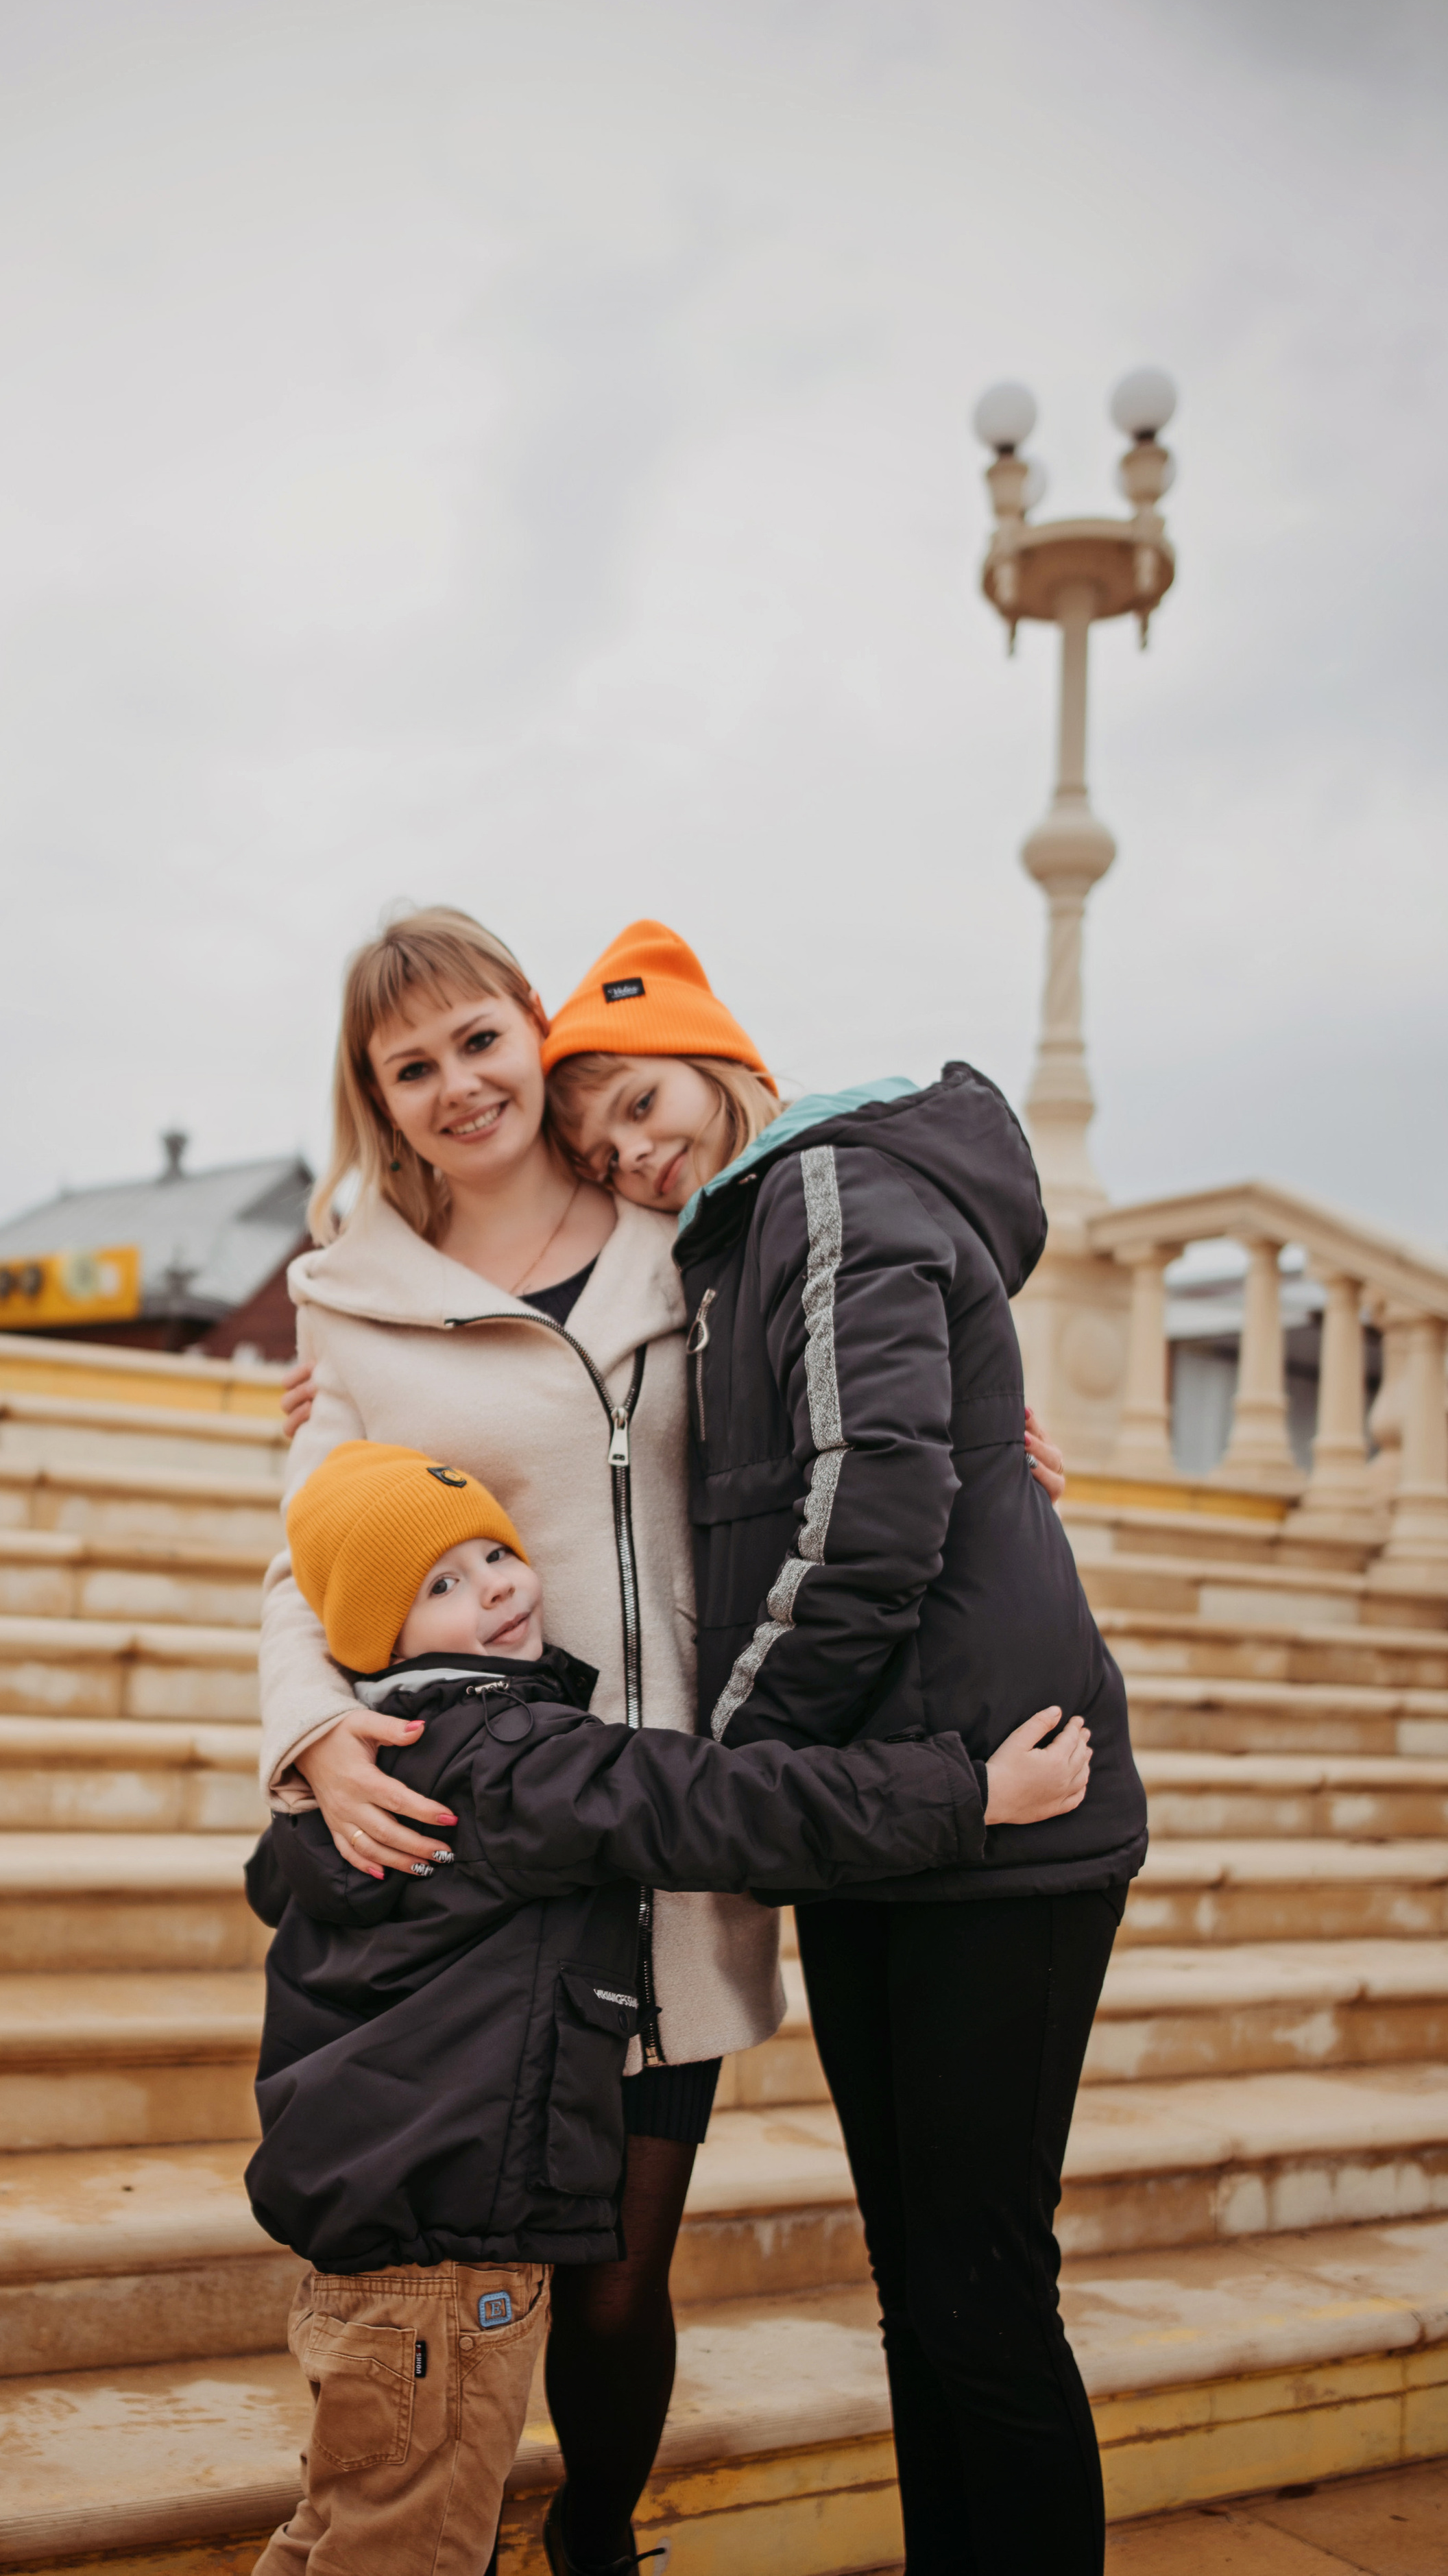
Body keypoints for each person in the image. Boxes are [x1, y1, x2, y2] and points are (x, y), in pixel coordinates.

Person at [263, 905, 1068, 2576]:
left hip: (695, 1808)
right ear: (376, 1100)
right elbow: (305, 1551)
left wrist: (980, 1404)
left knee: (626, 2273)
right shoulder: (350, 1303)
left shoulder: (693, 1233)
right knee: (472, 2258)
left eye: (480, 1041)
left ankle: (597, 2546)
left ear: (530, 1042)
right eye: (408, 1069)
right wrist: (311, 1736)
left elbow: (837, 1388)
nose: (455, 1086)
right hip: (494, 1844)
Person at [544, 919, 1150, 2576]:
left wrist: (734, 1778)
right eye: (599, 1141)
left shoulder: (822, 1191)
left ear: (723, 1063)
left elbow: (865, 1512)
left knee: (973, 2290)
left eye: (644, 1100)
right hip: (892, 1814)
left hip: (997, 1808)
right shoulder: (744, 1241)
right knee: (928, 2288)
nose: (631, 1150)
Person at [245, 1437, 1090, 2576]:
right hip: (452, 2252)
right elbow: (727, 1806)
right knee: (412, 2547)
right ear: (369, 1635)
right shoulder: (511, 1760)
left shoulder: (364, 1781)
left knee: (347, 2525)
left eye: (496, 1550)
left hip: (373, 2246)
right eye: (440, 1584)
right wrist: (970, 1790)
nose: (494, 1585)